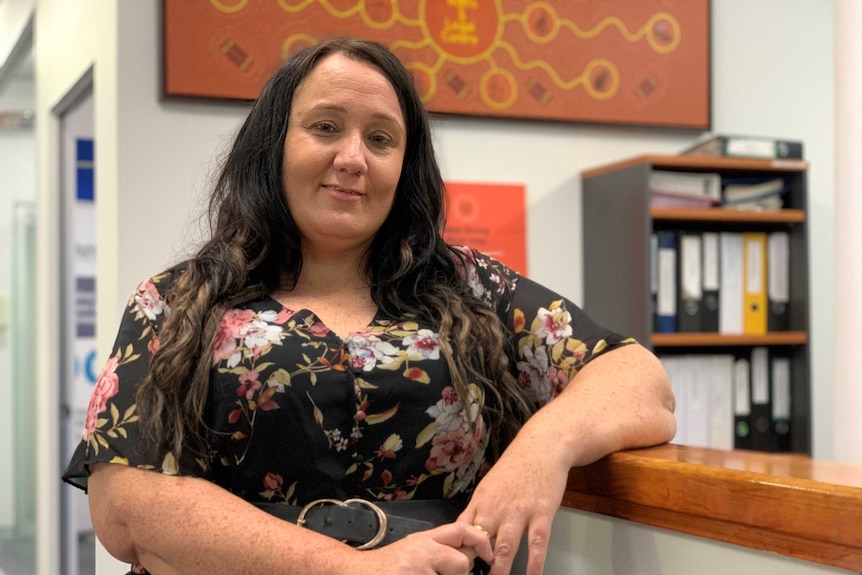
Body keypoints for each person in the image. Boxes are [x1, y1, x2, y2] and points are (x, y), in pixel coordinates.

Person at [63, 36, 676, 575]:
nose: (353, 158)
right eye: (326, 127)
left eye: (380, 139)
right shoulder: (177, 302)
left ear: (404, 167)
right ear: (274, 146)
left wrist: (544, 448)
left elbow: (637, 379)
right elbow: (125, 505)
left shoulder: (471, 289)